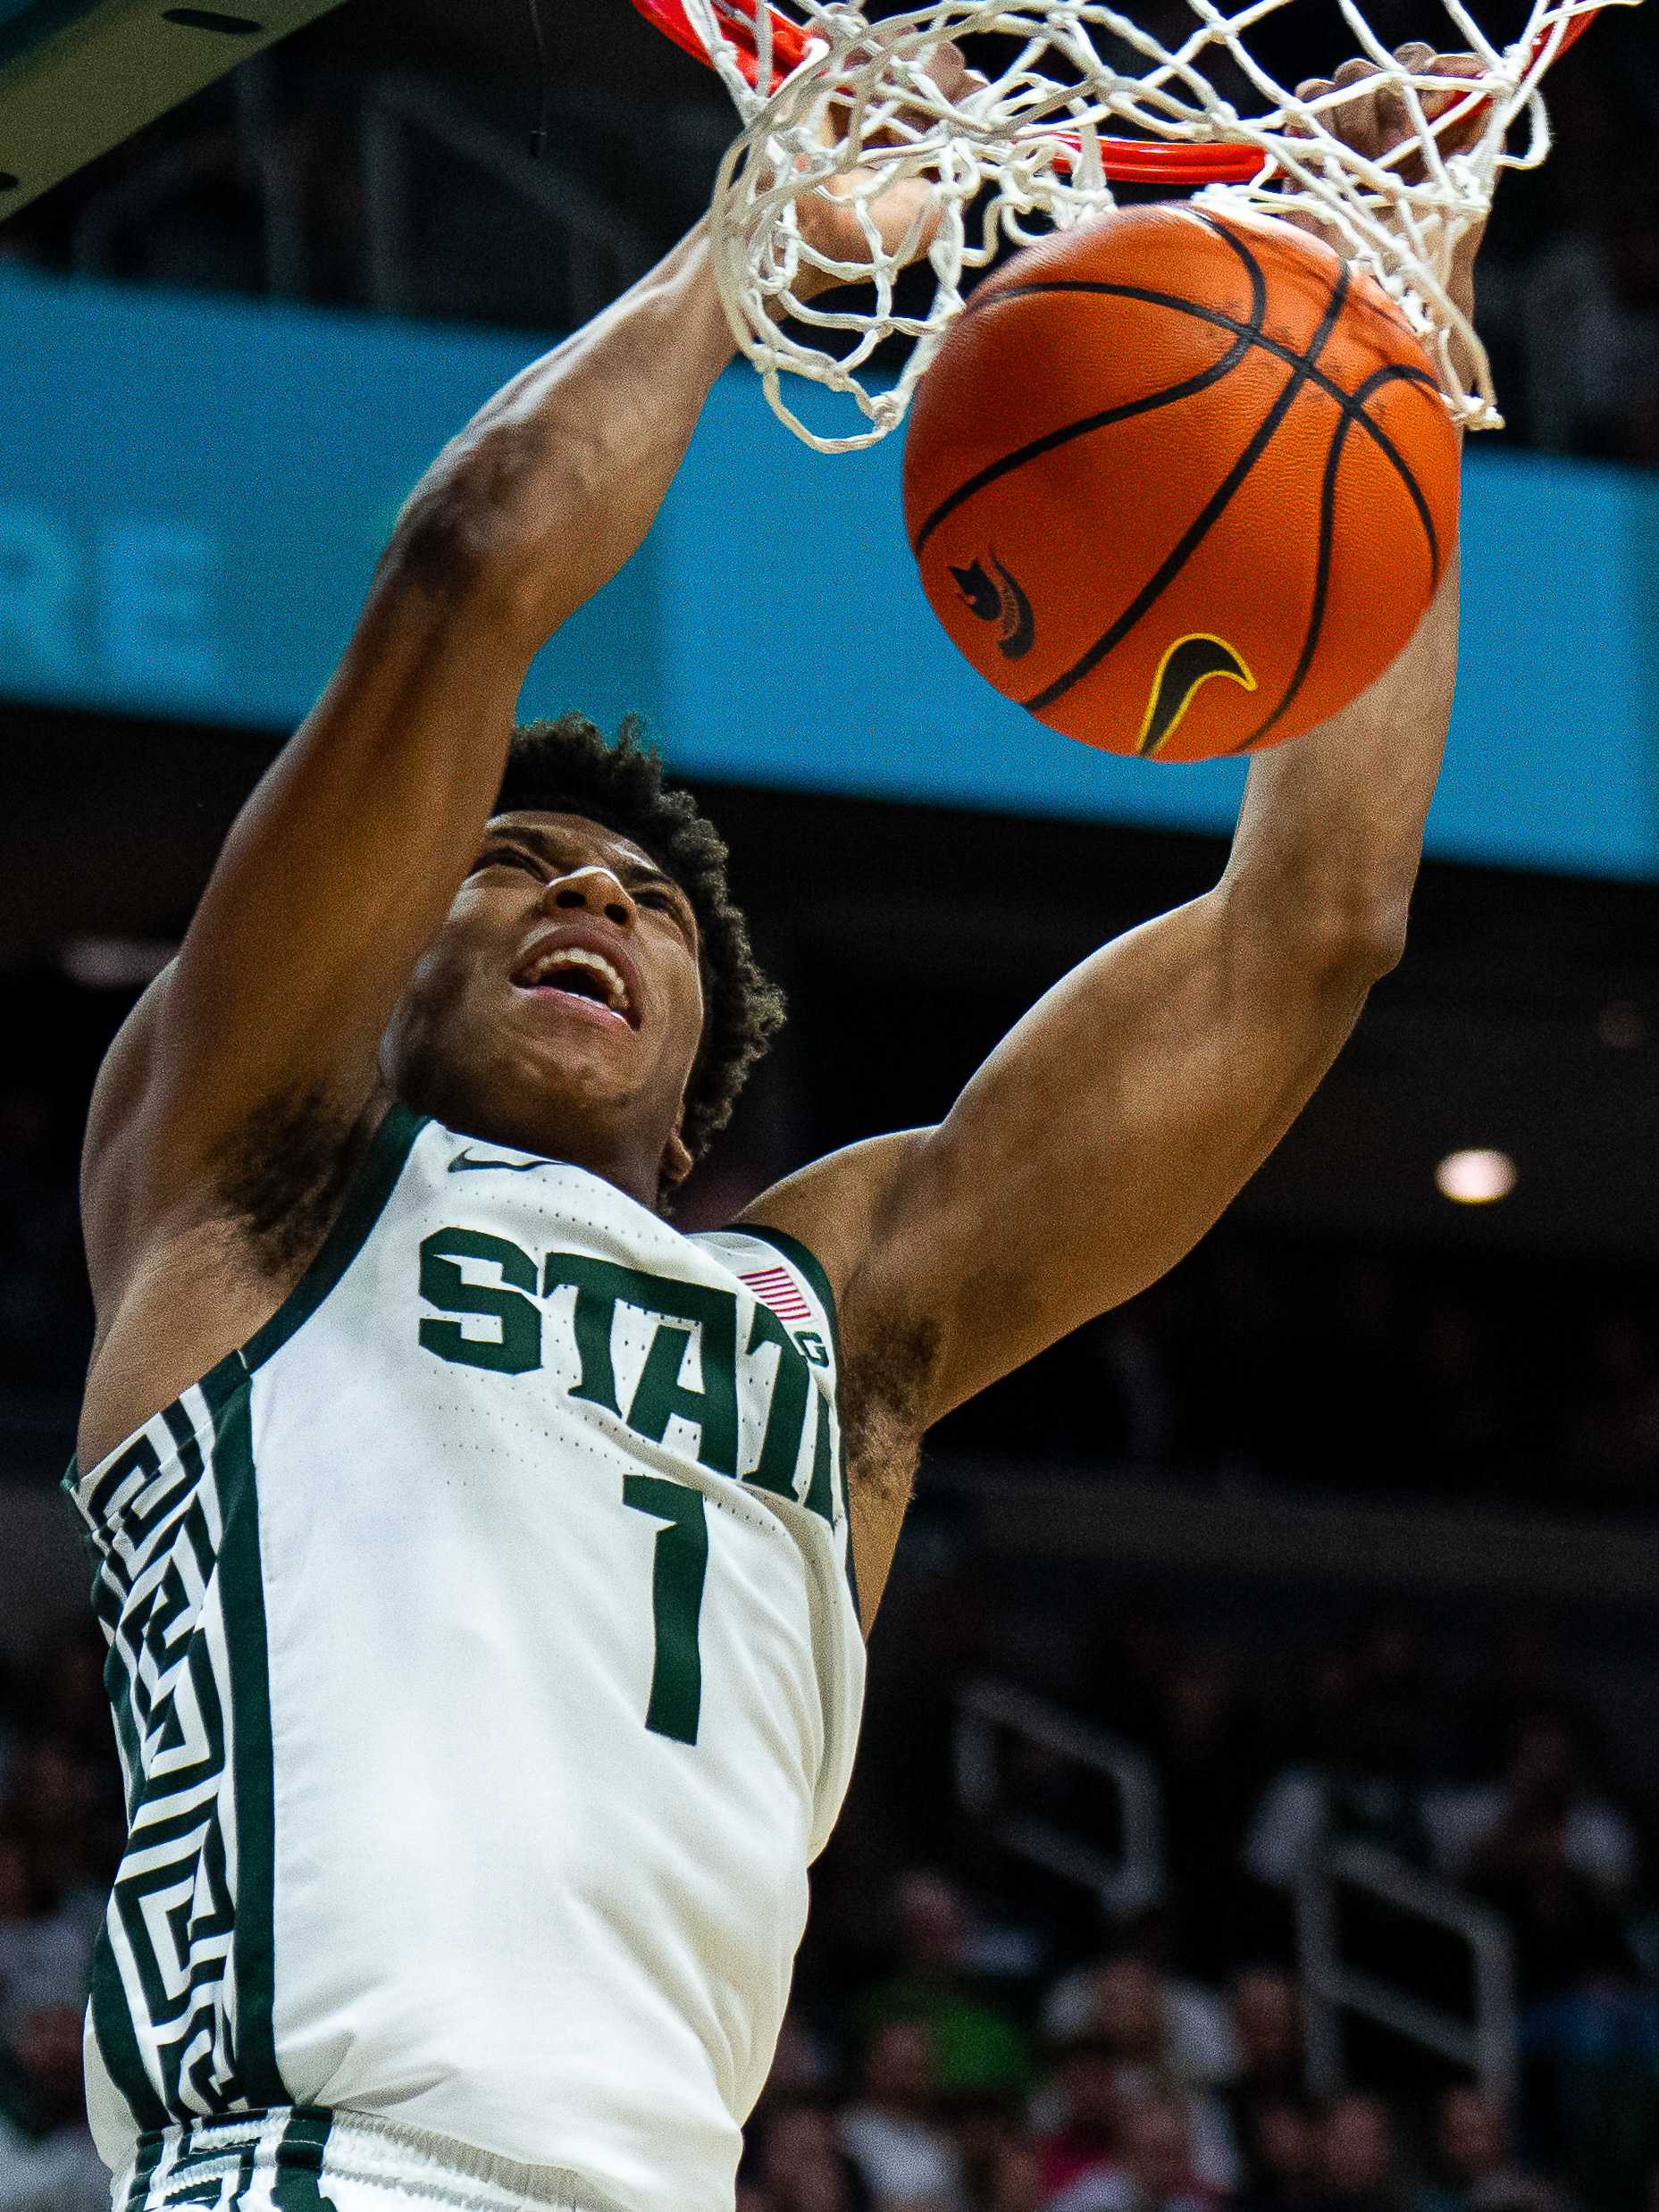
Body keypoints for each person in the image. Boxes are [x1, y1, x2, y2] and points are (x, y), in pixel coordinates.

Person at [67, 45, 1484, 2212]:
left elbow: (1312, 923)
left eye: (644, 902)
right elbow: (468, 557)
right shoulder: (250, 1182)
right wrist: (756, 253)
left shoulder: (833, 1314)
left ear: (700, 1057)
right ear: (385, 958)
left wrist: (1374, 338)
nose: (597, 897)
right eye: (518, 863)